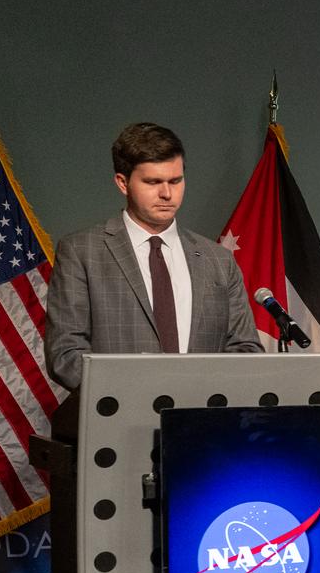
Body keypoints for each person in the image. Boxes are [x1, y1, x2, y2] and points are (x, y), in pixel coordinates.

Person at [45, 123, 262, 393]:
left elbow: (245, 348)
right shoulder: (81, 251)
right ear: (123, 183)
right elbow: (65, 354)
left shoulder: (218, 259)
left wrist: (198, 396)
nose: (167, 194)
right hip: (118, 424)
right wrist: (139, 395)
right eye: (152, 182)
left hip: (200, 424)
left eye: (175, 181)